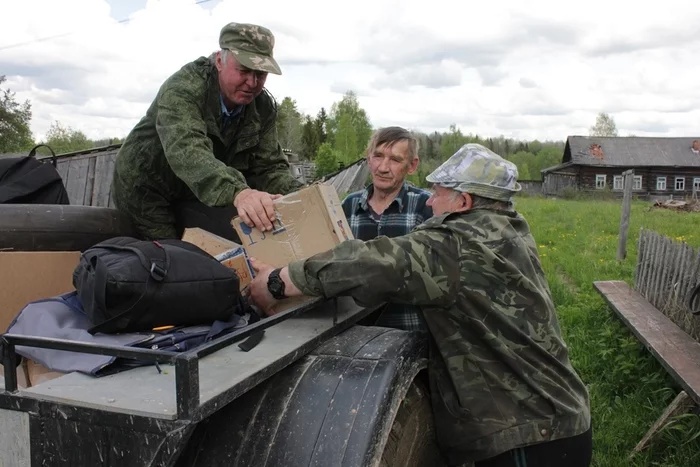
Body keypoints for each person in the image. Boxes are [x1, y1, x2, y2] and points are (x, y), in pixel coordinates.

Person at [245, 144, 592, 467]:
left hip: (529, 435)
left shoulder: (457, 246)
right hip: (551, 418)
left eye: (439, 193)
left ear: (464, 202)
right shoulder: (508, 229)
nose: (429, 202)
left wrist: (276, 282)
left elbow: (371, 263)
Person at [111, 22, 303, 241]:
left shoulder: (262, 107)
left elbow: (268, 167)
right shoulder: (184, 90)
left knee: (223, 253)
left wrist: (302, 196)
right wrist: (240, 192)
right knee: (170, 260)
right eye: (244, 71)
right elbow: (188, 152)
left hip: (198, 193)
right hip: (148, 189)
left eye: (261, 74)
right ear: (220, 61)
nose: (252, 82)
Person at [342, 126, 433, 332]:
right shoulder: (348, 206)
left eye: (395, 160)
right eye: (378, 156)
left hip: (410, 332)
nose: (383, 167)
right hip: (354, 331)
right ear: (368, 158)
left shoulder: (425, 206)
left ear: (412, 165)